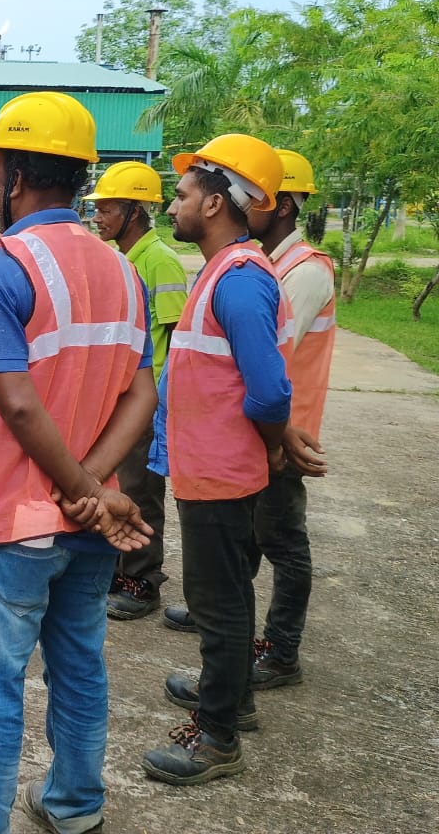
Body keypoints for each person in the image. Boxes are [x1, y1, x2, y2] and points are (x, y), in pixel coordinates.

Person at [0, 92, 157, 834]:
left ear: (14, 175)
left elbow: (21, 407)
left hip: (7, 524)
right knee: (78, 668)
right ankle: (73, 805)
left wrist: (77, 489)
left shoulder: (3, 270)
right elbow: (142, 391)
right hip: (90, 525)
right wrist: (95, 490)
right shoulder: (122, 270)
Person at [140, 135, 327, 786]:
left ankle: (217, 738)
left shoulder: (242, 280)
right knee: (224, 597)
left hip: (221, 475)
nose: (174, 201)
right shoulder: (224, 270)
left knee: (218, 604)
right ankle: (233, 697)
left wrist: (279, 439)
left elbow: (271, 388)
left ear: (216, 201)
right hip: (208, 468)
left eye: (185, 192)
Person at [83, 162, 188, 619]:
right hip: (114, 396)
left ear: (135, 210)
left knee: (142, 492)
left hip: (144, 401)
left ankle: (144, 579)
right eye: (98, 208)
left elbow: (176, 339)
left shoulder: (158, 260)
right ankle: (115, 569)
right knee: (113, 484)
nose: (98, 217)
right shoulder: (116, 259)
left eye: (107, 209)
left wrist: (155, 404)